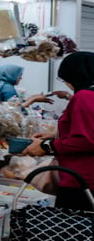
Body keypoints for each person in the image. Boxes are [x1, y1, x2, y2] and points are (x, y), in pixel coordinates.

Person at [23, 51, 94, 210]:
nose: (67, 84)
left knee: (71, 231)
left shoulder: (84, 96)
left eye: (65, 79)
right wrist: (57, 135)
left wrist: (46, 146)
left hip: (82, 181)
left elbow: (86, 140)